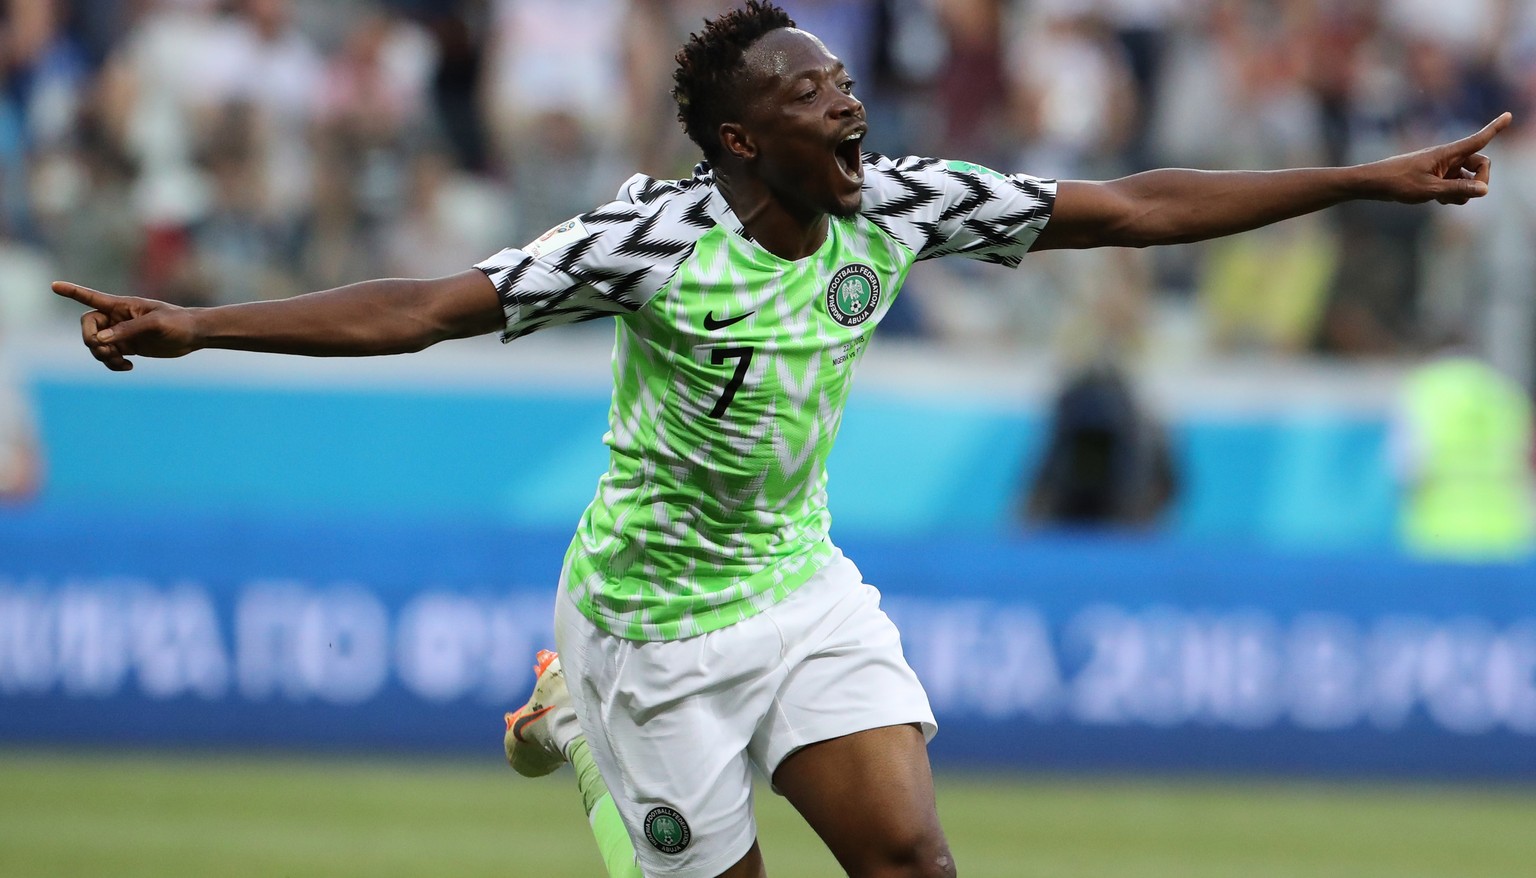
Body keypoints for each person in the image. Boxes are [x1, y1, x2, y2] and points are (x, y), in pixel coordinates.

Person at [53, 3, 1509, 876]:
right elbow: (427, 306)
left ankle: (573, 712)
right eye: (812, 96)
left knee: (911, 854)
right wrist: (198, 324)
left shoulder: (898, 202)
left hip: (799, 586)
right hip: (656, 622)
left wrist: (1369, 179)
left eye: (842, 81)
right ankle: (582, 705)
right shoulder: (650, 242)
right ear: (743, 140)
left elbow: (1127, 205)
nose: (848, 102)